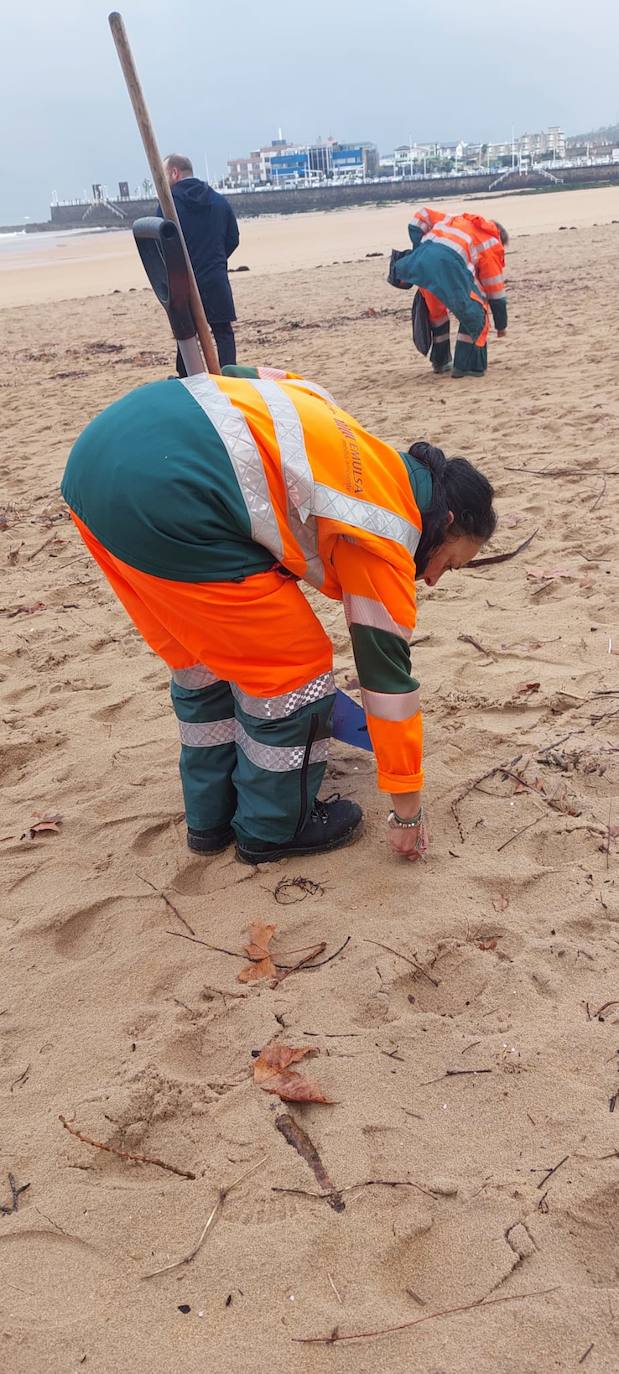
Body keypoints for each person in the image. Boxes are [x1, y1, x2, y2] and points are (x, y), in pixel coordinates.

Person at [61, 365, 497, 865]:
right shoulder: (386, 528)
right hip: (171, 499)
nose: (436, 578)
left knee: (205, 658)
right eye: (450, 562)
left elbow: (244, 373)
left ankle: (210, 817)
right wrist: (407, 810)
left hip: (102, 459)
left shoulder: (335, 416)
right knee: (295, 668)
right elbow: (388, 685)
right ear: (445, 522)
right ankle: (275, 828)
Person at [390, 208, 508, 377]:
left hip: (422, 264)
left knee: (437, 316)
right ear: (500, 238)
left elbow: (420, 217)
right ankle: (465, 366)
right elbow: (494, 290)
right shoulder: (491, 242)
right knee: (475, 313)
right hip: (448, 268)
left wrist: (418, 248)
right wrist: (501, 325)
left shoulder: (457, 219)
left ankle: (441, 362)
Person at [160, 153, 239, 371]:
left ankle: (189, 382)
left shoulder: (169, 206)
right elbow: (233, 238)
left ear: (174, 173)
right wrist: (214, 260)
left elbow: (162, 245)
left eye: (165, 174)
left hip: (184, 281)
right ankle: (229, 378)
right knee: (223, 332)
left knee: (186, 337)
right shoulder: (218, 200)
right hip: (215, 277)